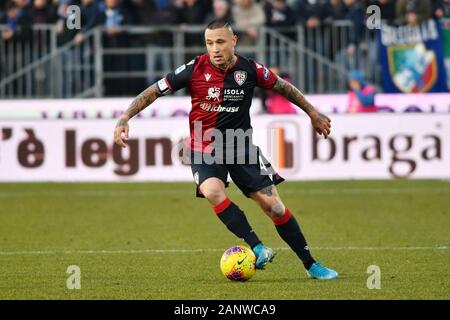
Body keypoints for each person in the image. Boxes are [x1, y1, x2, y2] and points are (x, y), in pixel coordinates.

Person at [113, 20, 338, 280]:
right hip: (202, 147)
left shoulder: (251, 69)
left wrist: (312, 112)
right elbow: (154, 91)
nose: (215, 48)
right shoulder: (194, 68)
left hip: (241, 147)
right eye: (209, 43)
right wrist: (124, 118)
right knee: (212, 191)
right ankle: (257, 246)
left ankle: (311, 265)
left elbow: (284, 87)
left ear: (233, 41)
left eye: (220, 42)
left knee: (273, 207)